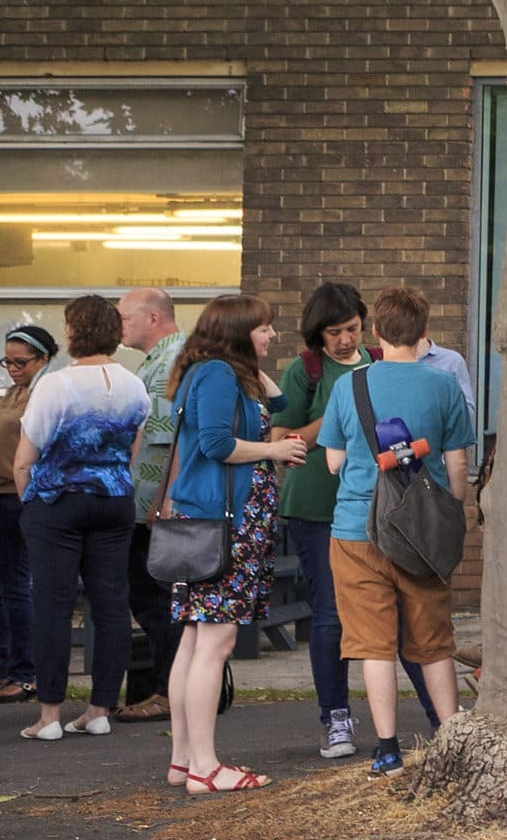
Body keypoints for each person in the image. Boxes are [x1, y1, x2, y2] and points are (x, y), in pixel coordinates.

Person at [314, 284, 475, 776]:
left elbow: (334, 463)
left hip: (357, 530)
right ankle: (452, 743)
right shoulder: (444, 384)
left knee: (373, 645)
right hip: (421, 534)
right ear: (425, 333)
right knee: (433, 641)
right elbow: (457, 464)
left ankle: (387, 748)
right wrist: (449, 511)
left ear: (377, 333)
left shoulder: (350, 385)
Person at [273, 285, 430, 757]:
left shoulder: (385, 361)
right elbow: (282, 440)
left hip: (385, 506)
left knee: (405, 615)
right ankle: (336, 717)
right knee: (330, 615)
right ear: (316, 333)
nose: (344, 340)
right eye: (333, 332)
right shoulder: (305, 372)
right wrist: (338, 411)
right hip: (318, 508)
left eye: (352, 330)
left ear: (368, 326)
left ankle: (437, 715)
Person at [160, 295, 304, 794]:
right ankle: (204, 766)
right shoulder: (219, 375)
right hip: (228, 523)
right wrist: (275, 449)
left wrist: (251, 365)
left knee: (196, 638)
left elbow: (280, 401)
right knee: (216, 641)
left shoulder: (213, 370)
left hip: (207, 521)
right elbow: (217, 445)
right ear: (241, 332)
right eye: (263, 329)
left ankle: (184, 760)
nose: (271, 337)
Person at [17, 297, 146, 740]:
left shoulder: (55, 385)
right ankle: (99, 709)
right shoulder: (134, 384)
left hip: (58, 501)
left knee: (52, 605)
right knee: (111, 604)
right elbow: (132, 451)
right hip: (114, 501)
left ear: (73, 332)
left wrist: (30, 505)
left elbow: (25, 459)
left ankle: (49, 715)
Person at [116, 286, 183, 721]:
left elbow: (161, 442)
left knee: (157, 601)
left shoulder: (169, 364)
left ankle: (168, 691)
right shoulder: (159, 359)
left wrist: (157, 505)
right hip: (152, 505)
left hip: (152, 510)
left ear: (153, 318)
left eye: (125, 318)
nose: (119, 326)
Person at [0, 323, 50, 707]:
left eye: (21, 361)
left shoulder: (45, 392)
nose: (13, 368)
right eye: (7, 361)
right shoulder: (13, 393)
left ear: (43, 359)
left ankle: (25, 672)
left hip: (20, 497)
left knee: (16, 584)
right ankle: (5, 668)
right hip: (1, 495)